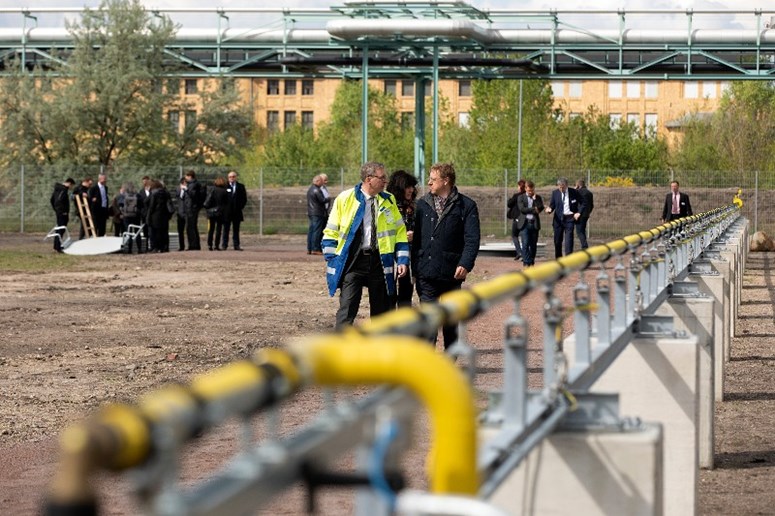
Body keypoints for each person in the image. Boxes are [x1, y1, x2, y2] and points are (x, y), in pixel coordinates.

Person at [322, 162, 409, 329]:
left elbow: (399, 231)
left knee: (381, 313)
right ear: (369, 179)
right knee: (347, 309)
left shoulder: (388, 199)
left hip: (379, 262)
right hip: (353, 261)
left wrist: (402, 259)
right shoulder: (345, 198)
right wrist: (332, 258)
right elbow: (331, 231)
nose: (386, 181)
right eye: (382, 177)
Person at [412, 162, 480, 350]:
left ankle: (450, 359)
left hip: (452, 273)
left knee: (450, 321)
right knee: (429, 320)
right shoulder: (421, 205)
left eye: (433, 180)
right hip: (426, 272)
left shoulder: (466, 206)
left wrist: (465, 263)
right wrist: (414, 265)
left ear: (446, 181)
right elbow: (415, 238)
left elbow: (472, 239)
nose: (429, 183)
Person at [386, 169, 419, 307]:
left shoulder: (415, 206)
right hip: (389, 253)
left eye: (412, 186)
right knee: (388, 292)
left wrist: (415, 235)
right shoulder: (386, 206)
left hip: (409, 254)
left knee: (406, 290)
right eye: (407, 187)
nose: (411, 190)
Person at [545, 177, 585, 259]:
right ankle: (559, 259)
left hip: (570, 219)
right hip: (558, 220)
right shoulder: (555, 193)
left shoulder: (574, 192)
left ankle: (568, 259)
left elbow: (583, 202)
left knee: (569, 240)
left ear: (566, 185)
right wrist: (549, 210)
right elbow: (552, 205)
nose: (561, 188)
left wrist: (578, 212)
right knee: (557, 240)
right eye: (559, 186)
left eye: (562, 187)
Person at [517, 181, 544, 267]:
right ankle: (526, 262)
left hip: (534, 223)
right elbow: (522, 209)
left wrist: (535, 200)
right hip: (524, 224)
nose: (531, 192)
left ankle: (531, 261)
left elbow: (540, 208)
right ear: (525, 189)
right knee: (525, 244)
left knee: (533, 245)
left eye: (532, 190)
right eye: (529, 191)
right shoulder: (521, 197)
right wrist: (534, 209)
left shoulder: (537, 197)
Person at [222, 170, 248, 251]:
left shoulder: (240, 186)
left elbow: (244, 198)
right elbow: (222, 198)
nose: (232, 178)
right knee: (226, 229)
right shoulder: (225, 186)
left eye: (233, 177)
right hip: (227, 212)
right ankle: (224, 245)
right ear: (228, 178)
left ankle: (236, 245)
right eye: (230, 177)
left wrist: (240, 207)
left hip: (237, 212)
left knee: (236, 230)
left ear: (236, 177)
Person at [146, 179, 172, 253]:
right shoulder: (166, 193)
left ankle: (155, 247)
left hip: (155, 215)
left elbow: (151, 205)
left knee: (154, 232)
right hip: (164, 215)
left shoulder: (154, 193)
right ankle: (164, 247)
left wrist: (149, 216)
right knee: (163, 232)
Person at [306, 174, 330, 255]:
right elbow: (322, 200)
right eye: (321, 181)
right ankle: (315, 249)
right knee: (317, 231)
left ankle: (310, 248)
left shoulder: (310, 189)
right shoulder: (317, 190)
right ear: (317, 181)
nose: (322, 182)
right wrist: (328, 198)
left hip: (311, 212)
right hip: (317, 212)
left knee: (312, 231)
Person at [204, 177, 229, 251]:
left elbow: (208, 201)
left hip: (211, 212)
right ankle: (216, 245)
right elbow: (226, 203)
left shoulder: (212, 190)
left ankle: (209, 245)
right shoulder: (224, 191)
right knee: (219, 229)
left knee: (211, 229)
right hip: (220, 212)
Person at [50, 178, 75, 253]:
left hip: (59, 212)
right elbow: (59, 200)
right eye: (72, 186)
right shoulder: (63, 190)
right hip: (62, 213)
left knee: (59, 228)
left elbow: (52, 200)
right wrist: (62, 211)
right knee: (61, 229)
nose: (71, 188)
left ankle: (56, 245)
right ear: (69, 183)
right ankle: (58, 247)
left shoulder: (58, 189)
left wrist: (56, 209)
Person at [182, 171, 204, 251]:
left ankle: (193, 245)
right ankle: (195, 244)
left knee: (190, 227)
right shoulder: (192, 184)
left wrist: (186, 189)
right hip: (191, 207)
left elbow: (193, 195)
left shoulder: (193, 184)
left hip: (191, 208)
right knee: (193, 227)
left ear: (190, 176)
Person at [506, 179, 527, 261]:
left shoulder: (517, 196)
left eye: (518, 186)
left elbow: (509, 204)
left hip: (517, 219)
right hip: (525, 219)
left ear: (520, 187)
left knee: (514, 236)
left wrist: (510, 199)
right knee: (524, 237)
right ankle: (524, 253)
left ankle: (520, 252)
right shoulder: (527, 196)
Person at [120, 182, 142, 253]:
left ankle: (129, 249)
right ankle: (139, 249)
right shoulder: (138, 195)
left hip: (126, 216)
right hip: (136, 216)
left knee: (128, 232)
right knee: (137, 232)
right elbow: (142, 204)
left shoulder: (123, 196)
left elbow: (120, 204)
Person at [574, 178, 594, 250]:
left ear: (578, 185)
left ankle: (584, 246)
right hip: (586, 214)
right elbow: (592, 205)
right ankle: (584, 245)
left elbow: (576, 203)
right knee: (582, 230)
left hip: (579, 214)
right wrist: (588, 212)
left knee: (579, 231)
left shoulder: (578, 192)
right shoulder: (589, 193)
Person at [175, 178, 188, 251]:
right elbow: (178, 196)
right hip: (180, 212)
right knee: (180, 230)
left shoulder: (188, 190)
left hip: (187, 212)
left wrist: (186, 189)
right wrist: (182, 190)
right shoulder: (178, 189)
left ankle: (191, 245)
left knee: (189, 229)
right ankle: (181, 246)